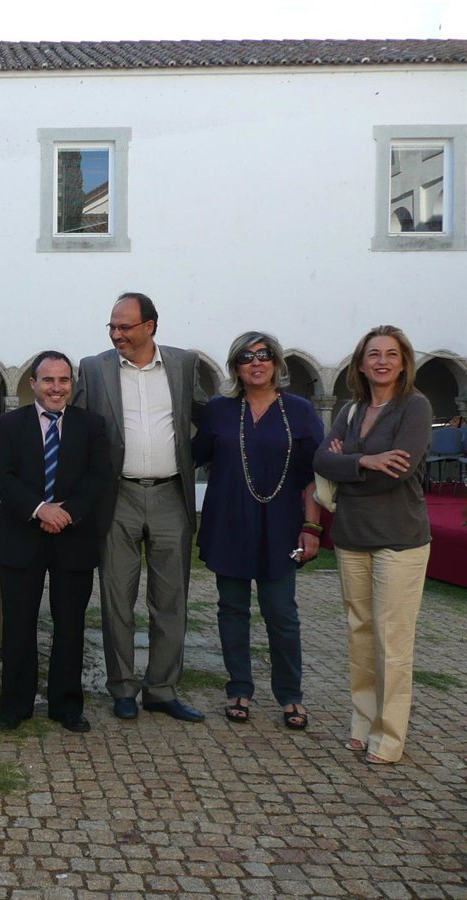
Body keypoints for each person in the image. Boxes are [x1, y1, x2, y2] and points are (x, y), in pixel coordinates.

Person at [73, 292, 208, 722]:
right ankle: (123, 687)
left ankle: (162, 689)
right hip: (118, 497)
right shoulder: (94, 368)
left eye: (124, 327)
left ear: (150, 326)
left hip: (171, 495)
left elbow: (208, 417)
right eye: (112, 327)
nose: (116, 335)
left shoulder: (183, 364)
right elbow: (75, 426)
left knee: (171, 600)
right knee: (117, 598)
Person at [192, 332, 323, 729]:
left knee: (281, 613)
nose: (256, 363)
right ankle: (239, 689)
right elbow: (192, 456)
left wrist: (312, 526)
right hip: (228, 523)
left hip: (281, 525)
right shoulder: (219, 411)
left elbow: (313, 475)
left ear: (277, 362)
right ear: (236, 367)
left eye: (264, 355)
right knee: (232, 610)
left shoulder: (299, 411)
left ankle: (290, 695)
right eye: (246, 357)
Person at [314, 325, 432, 765]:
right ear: (360, 364)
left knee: (392, 640)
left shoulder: (414, 407)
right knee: (360, 635)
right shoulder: (350, 410)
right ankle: (362, 724)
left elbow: (398, 472)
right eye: (373, 354)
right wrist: (365, 459)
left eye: (391, 354)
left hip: (399, 539)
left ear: (403, 363)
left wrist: (346, 465)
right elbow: (320, 459)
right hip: (352, 536)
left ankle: (390, 736)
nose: (382, 361)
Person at [0, 351, 110, 732]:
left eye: (63, 380)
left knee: (70, 625)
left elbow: (99, 477)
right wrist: (40, 509)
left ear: (71, 384)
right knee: (18, 625)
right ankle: (14, 705)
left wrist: (66, 513)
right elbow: (1, 476)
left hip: (73, 537)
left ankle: (66, 705)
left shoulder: (91, 425)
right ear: (33, 384)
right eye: (48, 380)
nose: (56, 388)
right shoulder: (11, 424)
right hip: (21, 534)